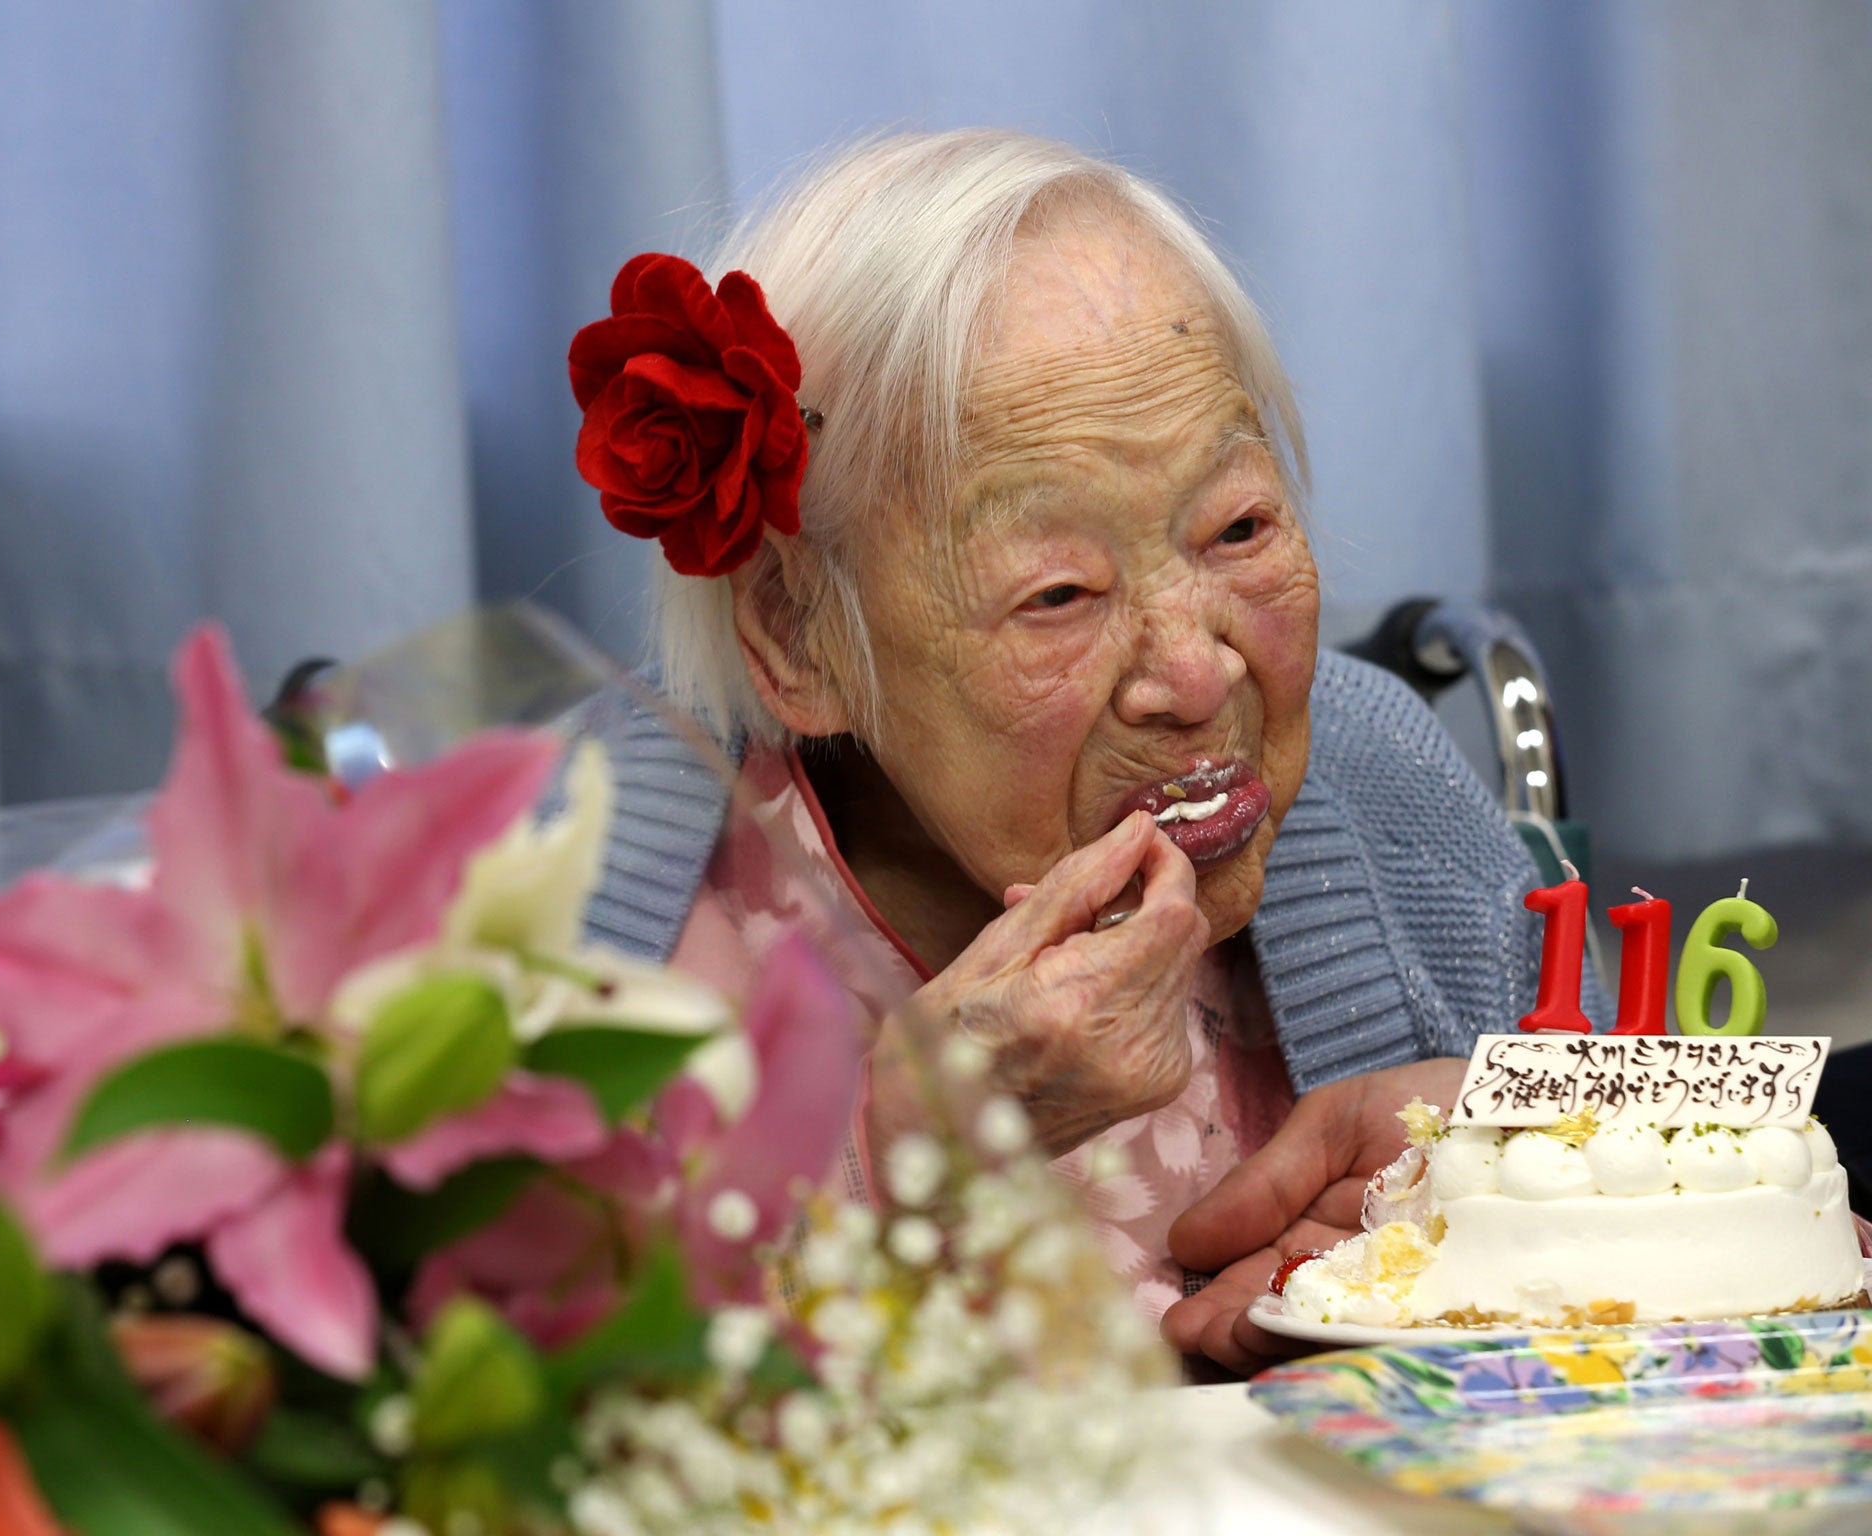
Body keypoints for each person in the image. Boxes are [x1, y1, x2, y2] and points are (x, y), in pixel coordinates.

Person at [562, 129, 1609, 1377]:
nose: (1196, 673)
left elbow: (1673, 1259)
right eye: (1058, 593)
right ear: (800, 635)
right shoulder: (581, 909)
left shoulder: (1383, 786)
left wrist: (1534, 1182)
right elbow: (485, 1445)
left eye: (1237, 527)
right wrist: (891, 1158)